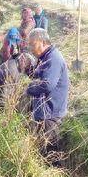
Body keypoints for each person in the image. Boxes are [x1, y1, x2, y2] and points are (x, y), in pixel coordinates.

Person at [25, 28, 69, 166]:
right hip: (44, 111)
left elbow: (47, 85)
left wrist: (27, 89)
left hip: (51, 113)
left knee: (51, 152)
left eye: (33, 44)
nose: (31, 48)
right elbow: (39, 76)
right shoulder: (45, 57)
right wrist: (29, 71)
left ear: (43, 42)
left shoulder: (53, 59)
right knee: (44, 149)